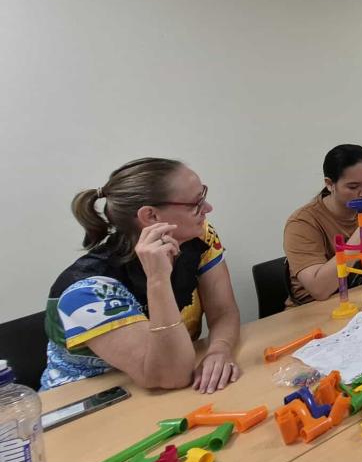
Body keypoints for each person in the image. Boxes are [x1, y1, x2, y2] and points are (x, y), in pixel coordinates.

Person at [43, 158, 241, 394]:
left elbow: (223, 311)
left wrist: (219, 349)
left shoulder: (198, 235)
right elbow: (170, 375)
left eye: (203, 195)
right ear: (151, 216)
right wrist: (158, 279)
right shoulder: (87, 290)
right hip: (91, 399)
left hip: (170, 382)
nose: (208, 208)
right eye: (196, 203)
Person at [283, 144, 362, 305]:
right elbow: (319, 290)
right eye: (353, 186)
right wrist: (359, 239)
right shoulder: (302, 223)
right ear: (330, 184)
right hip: (313, 308)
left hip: (361, 298)